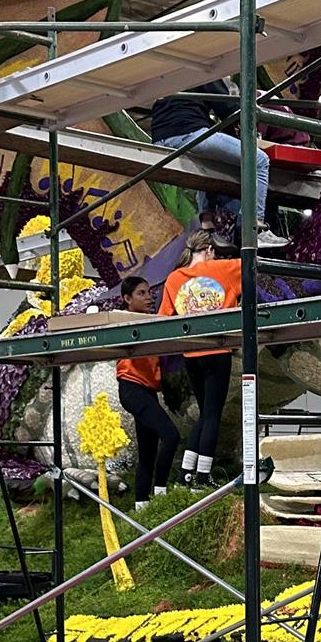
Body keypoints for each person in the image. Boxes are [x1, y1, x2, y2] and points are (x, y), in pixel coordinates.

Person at [149, 77, 277, 244]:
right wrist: (251, 114)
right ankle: (254, 226)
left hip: (161, 138)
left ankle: (207, 225)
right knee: (259, 160)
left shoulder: (174, 73)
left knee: (209, 164)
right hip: (189, 132)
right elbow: (227, 108)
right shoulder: (206, 71)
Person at [159, 230, 241, 486]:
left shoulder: (174, 279)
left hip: (191, 354)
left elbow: (163, 318)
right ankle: (204, 476)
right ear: (209, 251)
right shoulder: (223, 268)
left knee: (205, 414)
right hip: (218, 351)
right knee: (213, 415)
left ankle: (185, 473)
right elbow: (254, 265)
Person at [116, 274, 181, 508]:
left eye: (149, 292)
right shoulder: (123, 321)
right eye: (141, 293)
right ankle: (161, 493)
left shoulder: (153, 321)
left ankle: (141, 506)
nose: (149, 297)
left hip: (148, 390)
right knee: (171, 435)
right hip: (132, 388)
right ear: (127, 299)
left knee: (147, 453)